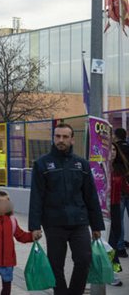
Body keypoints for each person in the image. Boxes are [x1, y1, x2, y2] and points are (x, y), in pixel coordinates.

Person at [28, 123, 104, 295]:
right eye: (57, 136)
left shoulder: (82, 165)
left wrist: (97, 225)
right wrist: (34, 226)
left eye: (64, 137)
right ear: (54, 138)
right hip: (54, 224)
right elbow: (36, 197)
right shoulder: (42, 164)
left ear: (72, 139)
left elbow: (91, 196)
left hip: (79, 222)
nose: (60, 140)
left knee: (84, 260)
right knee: (56, 265)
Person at [0, 189, 37, 295]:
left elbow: (21, 236)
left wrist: (32, 236)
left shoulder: (12, 221)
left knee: (7, 287)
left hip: (8, 262)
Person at [108, 140, 129, 285]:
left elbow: (126, 189)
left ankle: (113, 271)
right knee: (106, 242)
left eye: (115, 150)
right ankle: (106, 271)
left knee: (113, 242)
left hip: (115, 208)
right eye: (110, 149)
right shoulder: (98, 168)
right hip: (102, 210)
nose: (113, 152)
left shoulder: (120, 169)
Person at [113, 127, 129, 257]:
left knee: (118, 222)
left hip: (120, 191)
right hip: (124, 189)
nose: (113, 152)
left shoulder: (115, 151)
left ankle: (120, 248)